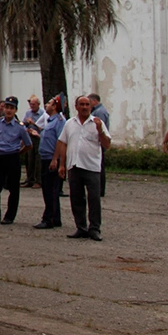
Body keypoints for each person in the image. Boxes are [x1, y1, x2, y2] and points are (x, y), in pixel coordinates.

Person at [56, 95, 111, 241]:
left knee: (94, 199)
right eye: (82, 104)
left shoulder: (97, 123)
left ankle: (94, 228)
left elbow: (107, 144)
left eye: (87, 104)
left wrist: (100, 130)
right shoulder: (69, 123)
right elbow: (63, 143)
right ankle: (81, 227)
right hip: (74, 165)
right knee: (76, 198)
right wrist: (62, 164)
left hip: (91, 167)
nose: (85, 107)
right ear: (76, 107)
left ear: (91, 107)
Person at [0, 96, 31, 225]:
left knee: (13, 188)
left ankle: (9, 216)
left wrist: (18, 153)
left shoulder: (20, 127)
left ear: (15, 110)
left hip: (12, 157)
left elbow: (28, 145)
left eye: (11, 108)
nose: (8, 110)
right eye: (7, 107)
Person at [34, 96, 66, 229]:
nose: (46, 105)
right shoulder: (50, 120)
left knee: (50, 190)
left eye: (49, 103)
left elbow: (61, 141)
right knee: (49, 189)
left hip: (52, 159)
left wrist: (55, 159)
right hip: (46, 158)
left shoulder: (59, 121)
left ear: (54, 106)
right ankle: (55, 217)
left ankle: (49, 219)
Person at [88, 93, 110, 197]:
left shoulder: (99, 112)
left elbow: (99, 128)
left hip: (99, 142)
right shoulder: (98, 111)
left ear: (94, 101)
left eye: (89, 102)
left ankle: (99, 189)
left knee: (99, 166)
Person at [21, 95, 43, 187]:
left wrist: (33, 123)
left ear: (38, 104)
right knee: (30, 159)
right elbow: (23, 124)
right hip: (29, 136)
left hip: (38, 137)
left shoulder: (42, 113)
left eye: (33, 104)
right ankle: (29, 179)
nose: (32, 106)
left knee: (38, 159)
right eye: (31, 104)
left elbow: (43, 127)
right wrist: (26, 127)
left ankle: (38, 181)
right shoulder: (28, 113)